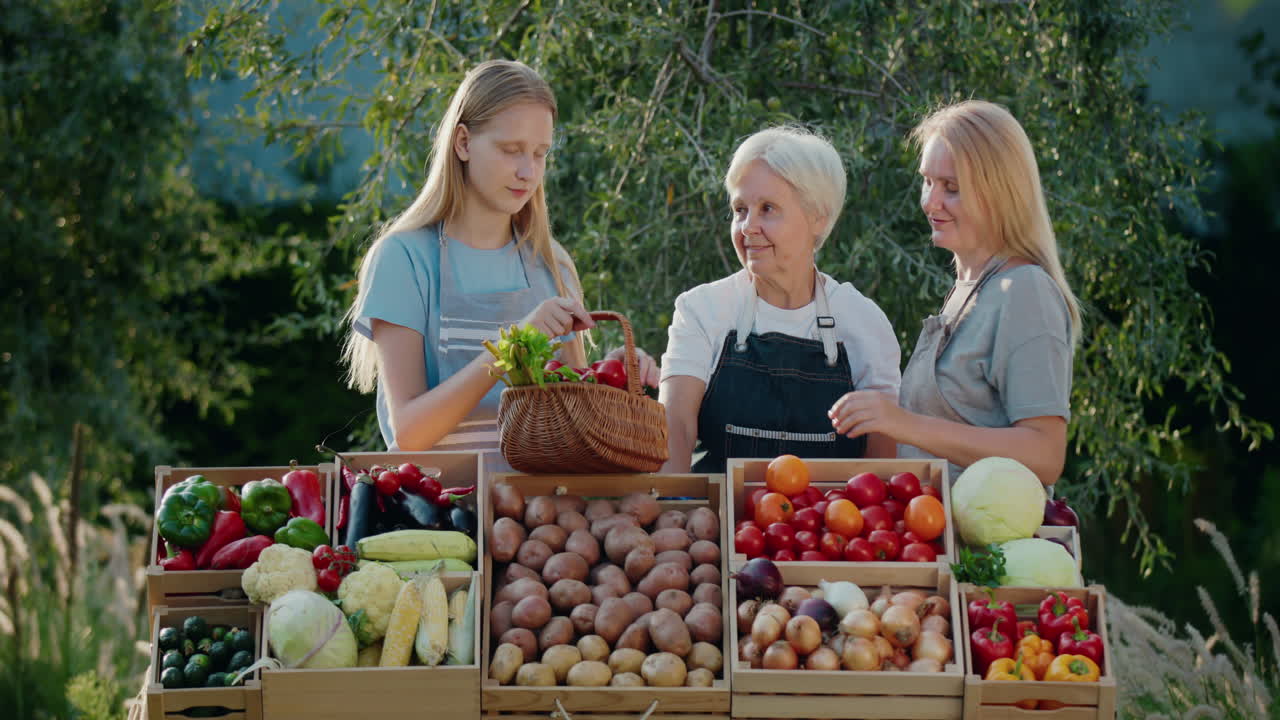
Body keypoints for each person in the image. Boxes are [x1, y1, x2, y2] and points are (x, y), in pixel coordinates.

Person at [341, 60, 656, 470]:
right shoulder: (404, 260)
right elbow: (410, 432)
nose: (528, 172)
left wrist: (614, 374)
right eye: (511, 150)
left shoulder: (552, 263)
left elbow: (576, 424)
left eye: (540, 154)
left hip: (545, 517)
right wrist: (511, 347)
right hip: (443, 513)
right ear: (463, 143)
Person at [827, 100, 1082, 487]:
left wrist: (904, 422)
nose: (930, 202)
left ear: (999, 193)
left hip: (990, 546)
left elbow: (1044, 454)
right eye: (927, 181)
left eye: (952, 188)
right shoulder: (970, 289)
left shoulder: (1024, 292)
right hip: (938, 538)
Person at [659, 126, 901, 473]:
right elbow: (676, 427)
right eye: (740, 209)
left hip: (828, 522)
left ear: (818, 217)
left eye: (767, 209)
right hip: (717, 517)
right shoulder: (701, 310)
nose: (747, 226)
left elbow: (880, 463)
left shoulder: (864, 322)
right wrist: (674, 512)